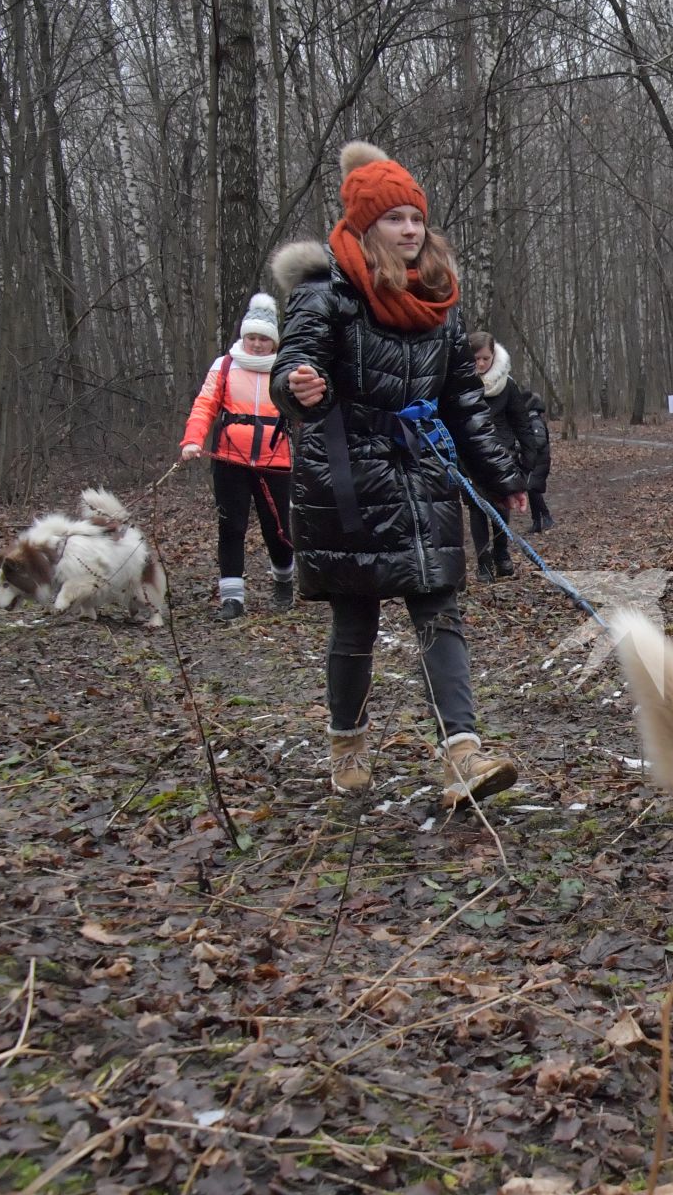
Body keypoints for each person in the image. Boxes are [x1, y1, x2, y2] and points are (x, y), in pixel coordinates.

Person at [267, 140, 527, 808]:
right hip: (346, 478)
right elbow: (290, 375)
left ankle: (462, 754)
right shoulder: (325, 296)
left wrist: (504, 474)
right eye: (394, 219)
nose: (410, 230)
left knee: (439, 610)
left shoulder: (440, 300)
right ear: (364, 224)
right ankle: (346, 745)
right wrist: (299, 385)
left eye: (416, 217)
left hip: (423, 475)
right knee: (354, 621)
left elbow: (464, 401)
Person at [177, 293, 295, 620]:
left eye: (264, 339)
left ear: (274, 342)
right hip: (230, 460)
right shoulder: (225, 365)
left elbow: (304, 412)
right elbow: (204, 406)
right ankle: (232, 599)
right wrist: (192, 440)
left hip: (276, 461)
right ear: (244, 337)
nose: (257, 345)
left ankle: (284, 582)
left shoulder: (287, 368)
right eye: (252, 338)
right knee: (232, 527)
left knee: (279, 530)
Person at [466, 332, 553, 579]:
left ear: (493, 357)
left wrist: (529, 457)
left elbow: (521, 422)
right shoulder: (461, 385)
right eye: (475, 359)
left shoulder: (507, 385)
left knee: (501, 504)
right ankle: (483, 563)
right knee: (476, 508)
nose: (480, 364)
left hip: (501, 454)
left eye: (485, 358)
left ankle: (501, 553)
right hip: (470, 456)